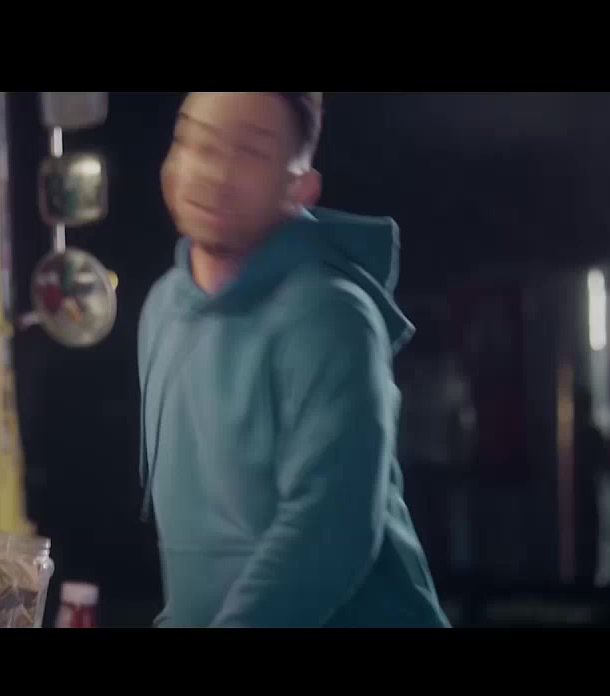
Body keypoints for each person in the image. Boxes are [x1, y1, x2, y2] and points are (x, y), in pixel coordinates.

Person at [137, 92, 450, 627]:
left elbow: (328, 532)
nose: (212, 171)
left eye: (250, 152)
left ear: (300, 187)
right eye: (197, 140)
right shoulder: (163, 307)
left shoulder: (331, 315)